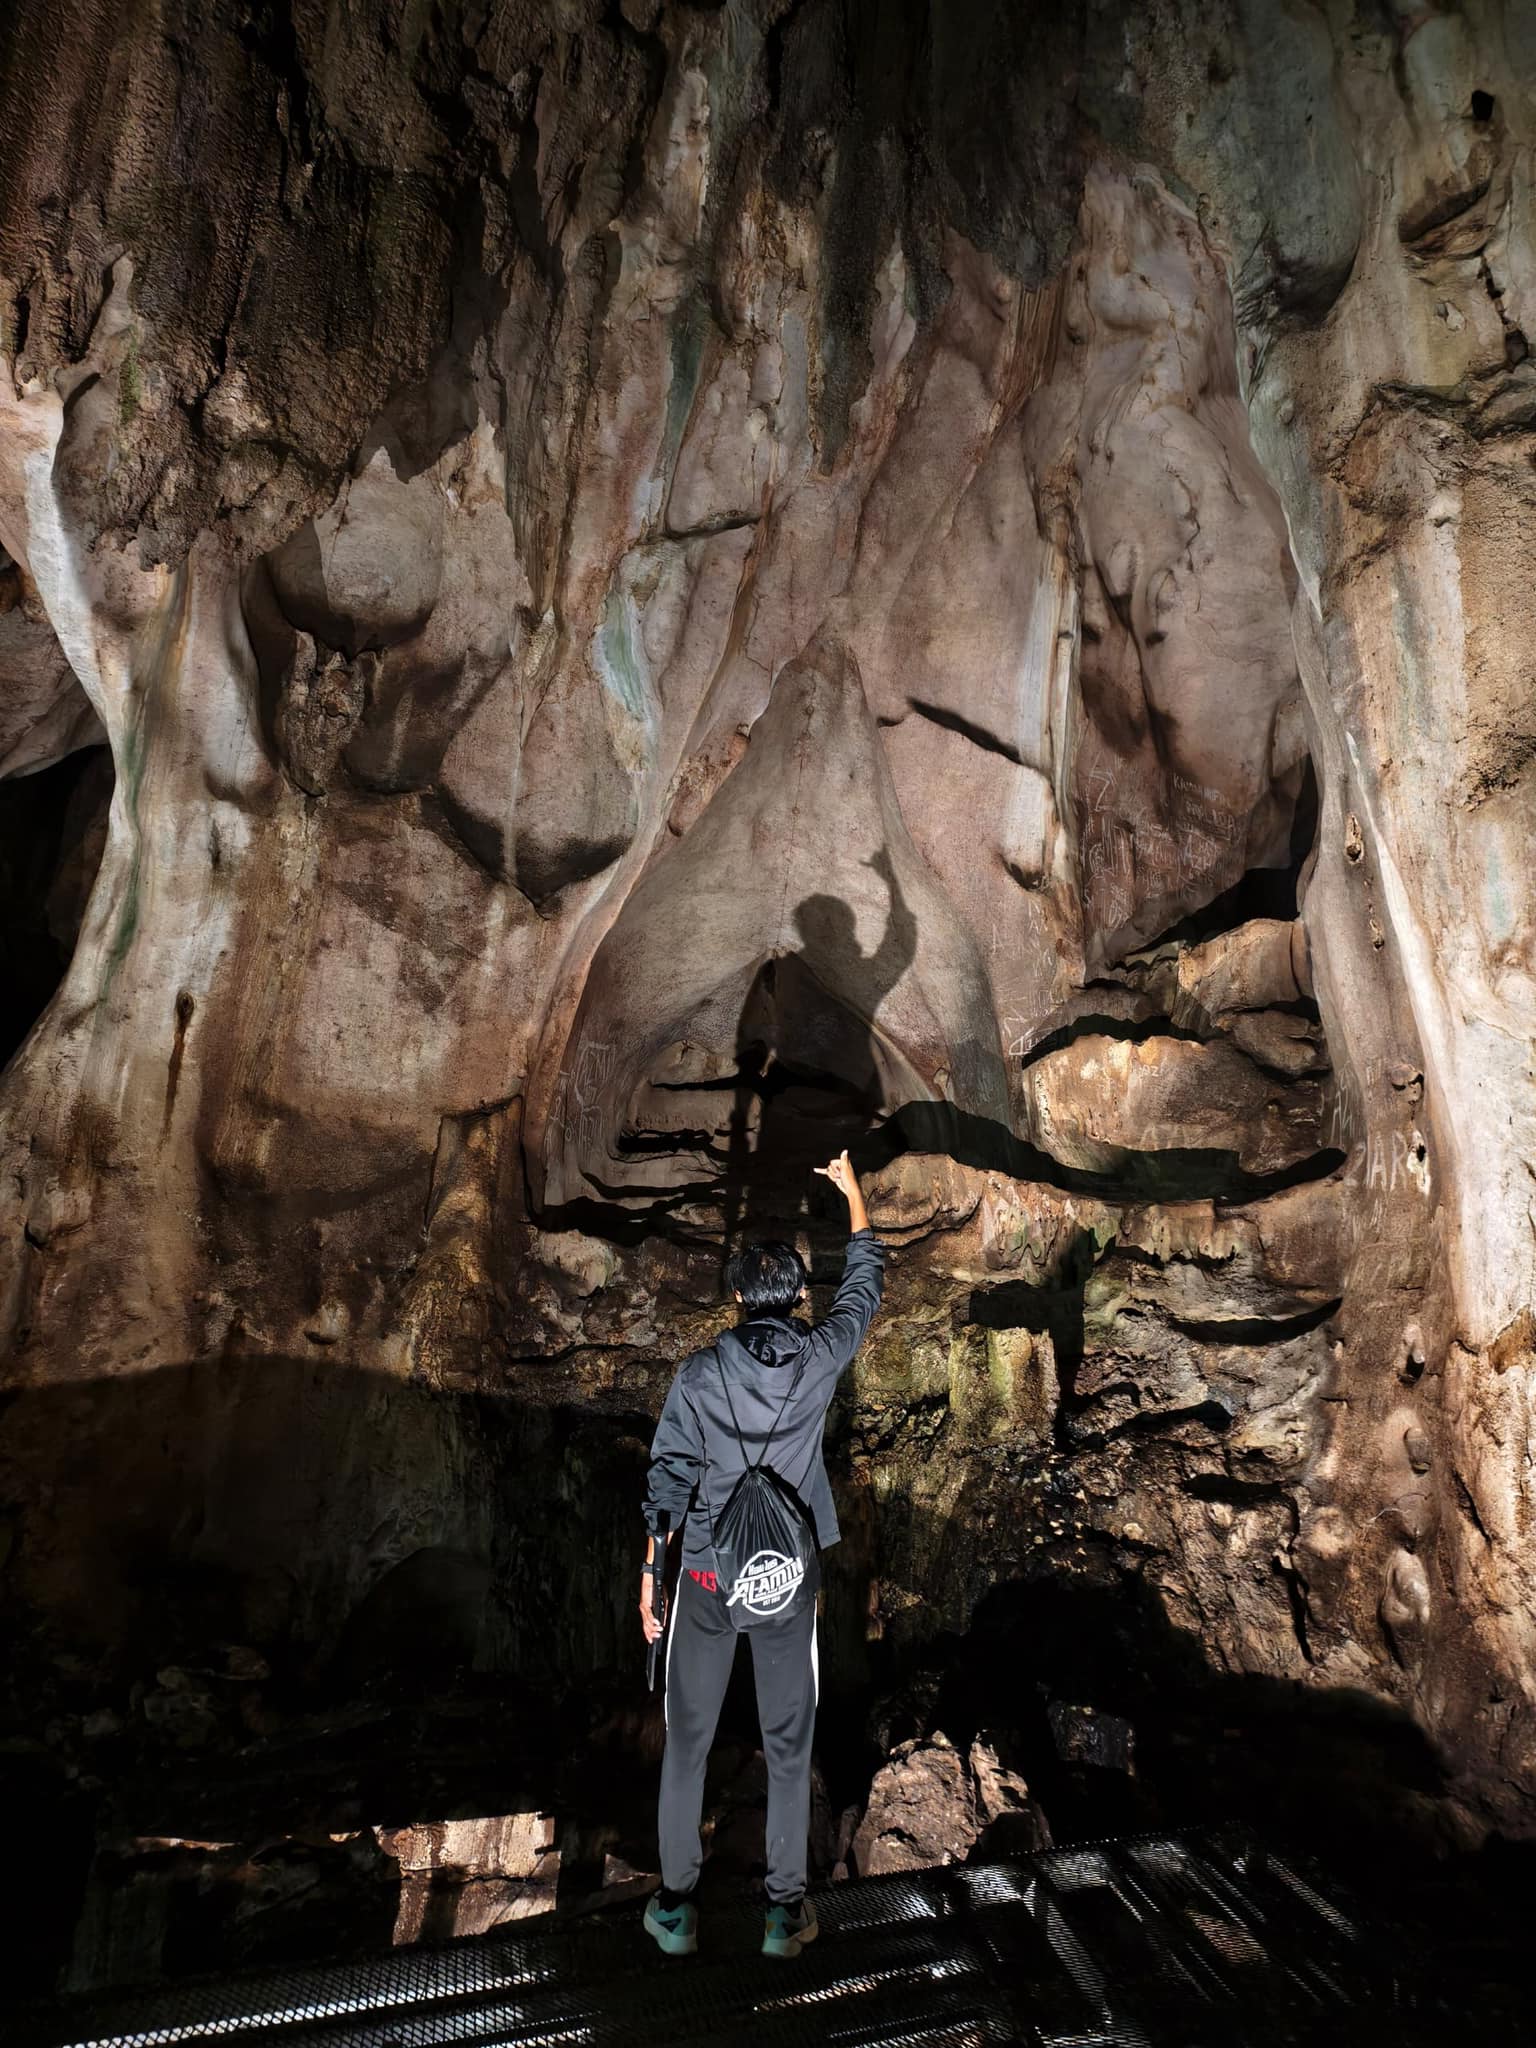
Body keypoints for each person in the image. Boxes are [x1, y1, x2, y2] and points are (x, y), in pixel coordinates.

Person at [639, 1150, 884, 1959]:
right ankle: (784, 1915)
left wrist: (651, 1577)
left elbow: (670, 1476)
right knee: (789, 1746)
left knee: (688, 1742)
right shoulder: (818, 1360)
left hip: (707, 1577)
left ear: (742, 1298)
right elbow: (865, 1290)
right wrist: (853, 1195)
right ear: (796, 1298)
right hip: (784, 1577)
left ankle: (676, 1908)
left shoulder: (703, 1373)